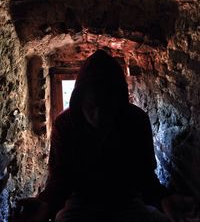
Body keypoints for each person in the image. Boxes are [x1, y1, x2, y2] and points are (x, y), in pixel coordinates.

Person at [11, 49, 198, 222]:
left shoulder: (136, 121)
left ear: (119, 102)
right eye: (92, 107)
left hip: (126, 201)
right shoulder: (66, 124)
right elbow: (60, 178)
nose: (99, 116)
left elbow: (144, 176)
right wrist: (45, 204)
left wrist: (163, 199)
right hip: (82, 203)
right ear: (79, 101)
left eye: (107, 106)